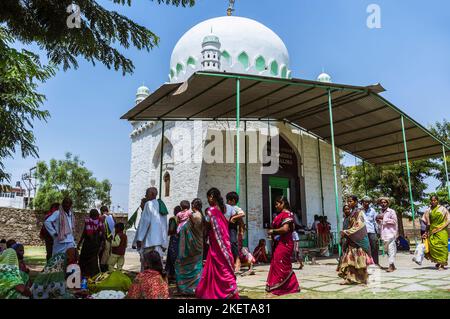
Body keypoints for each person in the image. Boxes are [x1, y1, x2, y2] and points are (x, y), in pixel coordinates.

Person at [196, 188, 239, 299]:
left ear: (211, 196)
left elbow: (206, 225)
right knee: (221, 267)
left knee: (222, 268)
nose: (208, 200)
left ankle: (231, 289)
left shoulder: (211, 211)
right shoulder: (226, 209)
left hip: (217, 244)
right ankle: (220, 291)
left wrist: (200, 213)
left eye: (208, 198)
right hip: (225, 242)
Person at [266, 196, 300, 296]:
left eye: (277, 204)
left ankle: (282, 289)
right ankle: (287, 286)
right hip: (279, 242)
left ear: (283, 203)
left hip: (285, 243)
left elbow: (285, 229)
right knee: (277, 264)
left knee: (281, 264)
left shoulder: (287, 214)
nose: (275, 206)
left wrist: (273, 231)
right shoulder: (280, 214)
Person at [338, 196, 373, 285]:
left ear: (356, 202)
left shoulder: (359, 212)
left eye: (351, 201)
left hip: (358, 240)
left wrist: (347, 232)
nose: (349, 203)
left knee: (360, 260)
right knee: (350, 261)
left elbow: (359, 225)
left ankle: (363, 279)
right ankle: (349, 279)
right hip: (351, 240)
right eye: (348, 201)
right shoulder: (351, 213)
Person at [133, 187, 168, 272]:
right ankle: (157, 284)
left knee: (147, 267)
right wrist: (165, 243)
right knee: (157, 267)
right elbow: (164, 225)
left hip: (150, 242)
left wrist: (139, 239)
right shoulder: (161, 205)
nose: (145, 195)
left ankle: (146, 284)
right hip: (159, 242)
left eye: (147, 193)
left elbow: (145, 222)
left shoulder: (149, 204)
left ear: (152, 194)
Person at [175, 198, 205, 295]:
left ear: (193, 206)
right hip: (199, 244)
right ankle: (197, 288)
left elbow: (185, 228)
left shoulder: (193, 216)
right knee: (197, 267)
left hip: (190, 246)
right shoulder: (202, 216)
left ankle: (185, 289)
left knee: (180, 265)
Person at [422, 195, 449, 270]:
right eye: (432, 200)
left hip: (442, 231)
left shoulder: (443, 209)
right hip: (432, 231)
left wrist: (441, 227)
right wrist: (426, 232)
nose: (433, 202)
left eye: (435, 200)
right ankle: (438, 261)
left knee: (442, 247)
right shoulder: (428, 210)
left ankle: (442, 264)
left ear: (438, 201)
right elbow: (427, 223)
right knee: (433, 247)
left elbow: (448, 219)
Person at [78, 208, 104, 277]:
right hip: (96, 244)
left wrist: (79, 243)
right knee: (93, 260)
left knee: (84, 259)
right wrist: (100, 244)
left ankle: (83, 274)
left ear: (90, 215)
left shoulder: (88, 221)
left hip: (88, 244)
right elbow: (103, 234)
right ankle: (93, 275)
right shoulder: (100, 222)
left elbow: (86, 233)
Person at [225, 191, 246, 273]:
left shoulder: (236, 208)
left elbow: (242, 214)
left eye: (228, 200)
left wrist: (234, 218)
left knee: (233, 242)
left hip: (232, 228)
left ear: (233, 200)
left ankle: (237, 260)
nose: (227, 202)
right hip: (226, 227)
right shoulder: (226, 208)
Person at [376, 197, 398, 272]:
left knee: (391, 249)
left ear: (387, 203)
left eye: (385, 202)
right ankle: (393, 265)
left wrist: (384, 219)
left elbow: (394, 221)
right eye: (381, 202)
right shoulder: (379, 213)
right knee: (387, 251)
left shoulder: (391, 211)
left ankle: (391, 266)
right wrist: (378, 222)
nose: (383, 204)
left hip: (391, 233)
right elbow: (380, 224)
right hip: (383, 234)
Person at [361, 196, 380, 266]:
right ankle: (365, 263)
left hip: (371, 231)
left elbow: (375, 222)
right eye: (365, 201)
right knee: (364, 248)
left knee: (374, 247)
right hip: (362, 232)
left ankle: (375, 263)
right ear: (362, 202)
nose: (367, 203)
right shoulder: (359, 210)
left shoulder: (372, 210)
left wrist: (378, 231)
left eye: (368, 202)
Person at [166, 206, 181, 283]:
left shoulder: (173, 219)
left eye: (174, 210)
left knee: (172, 256)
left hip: (174, 239)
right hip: (180, 240)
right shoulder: (182, 219)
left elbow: (171, 229)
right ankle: (175, 275)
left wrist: (168, 232)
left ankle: (172, 275)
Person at [99, 206, 115, 272]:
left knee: (104, 254)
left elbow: (101, 229)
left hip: (104, 238)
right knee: (108, 254)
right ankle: (106, 268)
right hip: (111, 238)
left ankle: (103, 268)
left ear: (101, 211)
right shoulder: (111, 217)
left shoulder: (102, 217)